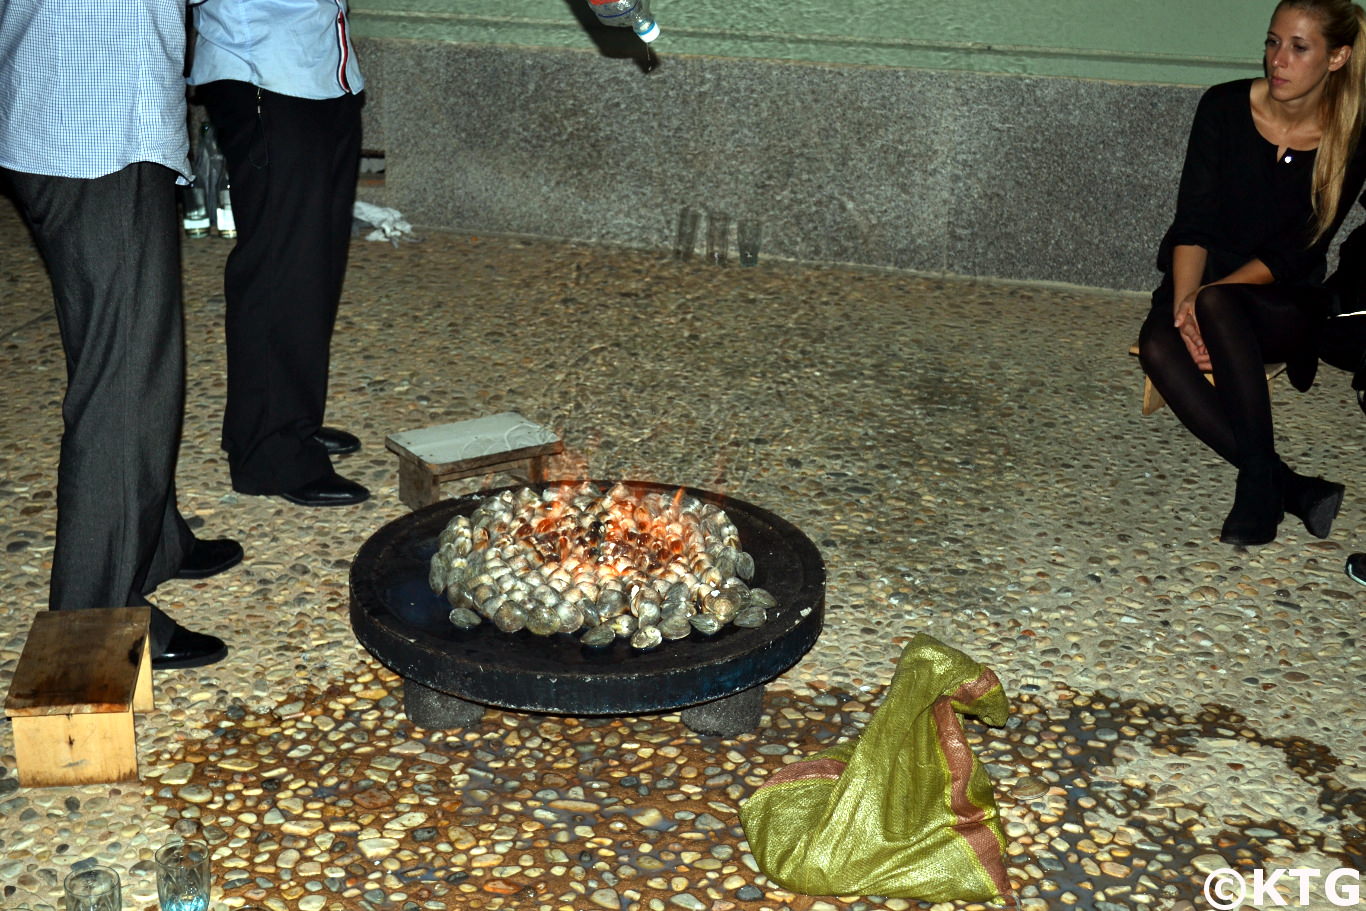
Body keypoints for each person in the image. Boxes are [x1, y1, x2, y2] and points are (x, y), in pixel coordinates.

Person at [0, 0, 238, 667]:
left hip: (58, 111)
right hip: (99, 128)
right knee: (126, 385)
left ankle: (156, 539)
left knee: (113, 349)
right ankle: (93, 617)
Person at [1138, 0, 1366, 547]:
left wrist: (1207, 302)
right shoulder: (1222, 107)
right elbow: (1192, 223)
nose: (1277, 60)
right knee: (1158, 345)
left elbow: (1302, 246)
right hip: (1202, 277)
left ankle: (1261, 485)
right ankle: (1278, 483)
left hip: (1281, 297)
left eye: (1298, 47)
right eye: (1271, 42)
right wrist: (1184, 305)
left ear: (1337, 57)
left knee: (1221, 305)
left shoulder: (1351, 130)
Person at [187, 0, 371, 507]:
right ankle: (270, 450)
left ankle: (287, 421)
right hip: (264, 70)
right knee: (279, 270)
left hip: (322, 68)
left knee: (313, 268)